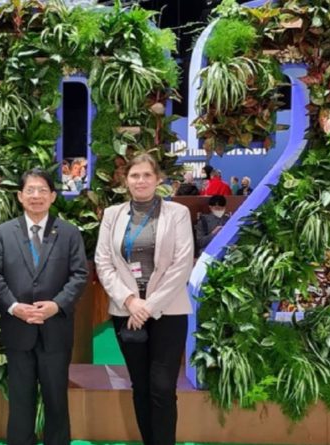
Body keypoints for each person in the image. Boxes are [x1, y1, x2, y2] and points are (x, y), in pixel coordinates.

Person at [94, 153, 194, 445]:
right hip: (127, 312)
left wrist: (148, 306)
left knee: (162, 386)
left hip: (168, 311)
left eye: (147, 175)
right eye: (135, 176)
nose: (141, 181)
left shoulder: (177, 213)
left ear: (158, 179)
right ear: (126, 181)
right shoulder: (113, 214)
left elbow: (182, 264)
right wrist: (130, 301)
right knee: (140, 385)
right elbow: (103, 262)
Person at [0, 168, 87, 445]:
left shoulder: (68, 233)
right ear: (20, 196)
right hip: (19, 329)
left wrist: (57, 305)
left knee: (56, 401)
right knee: (20, 401)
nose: (36, 196)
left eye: (43, 190)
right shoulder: (5, 233)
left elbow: (79, 275)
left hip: (55, 329)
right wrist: (14, 306)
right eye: (30, 190)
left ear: (53, 196)